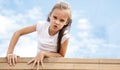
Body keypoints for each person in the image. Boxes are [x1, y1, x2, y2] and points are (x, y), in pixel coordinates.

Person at [6, 1, 72, 70]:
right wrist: (9, 53)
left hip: (53, 65)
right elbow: (18, 33)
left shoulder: (65, 36)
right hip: (39, 64)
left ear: (66, 22)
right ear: (50, 15)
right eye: (55, 17)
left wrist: (43, 53)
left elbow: (61, 55)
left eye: (62, 20)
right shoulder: (41, 26)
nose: (57, 22)